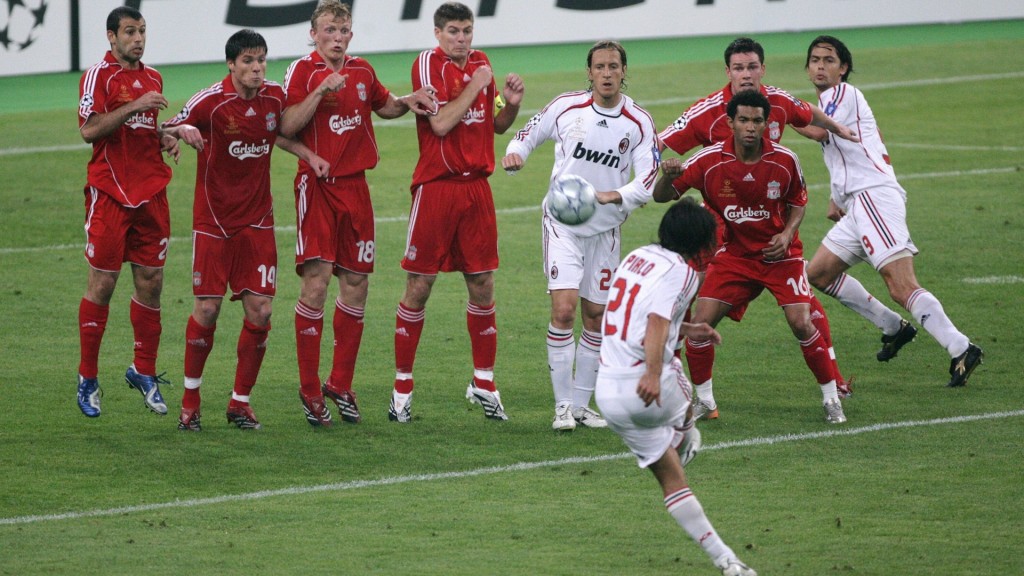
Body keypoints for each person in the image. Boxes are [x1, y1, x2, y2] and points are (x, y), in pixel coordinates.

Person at [657, 36, 868, 419]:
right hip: (720, 234)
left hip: (774, 238)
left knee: (803, 314)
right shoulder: (707, 116)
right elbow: (658, 145)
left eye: (752, 67)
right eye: (739, 68)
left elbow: (807, 116)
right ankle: (686, 389)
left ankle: (834, 387)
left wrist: (838, 129)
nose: (746, 75)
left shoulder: (779, 115)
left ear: (762, 70)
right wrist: (638, 179)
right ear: (728, 73)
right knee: (688, 303)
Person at [280, 1, 438, 427]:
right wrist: (319, 92)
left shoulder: (363, 70)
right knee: (316, 285)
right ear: (313, 34)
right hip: (317, 189)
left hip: (356, 190)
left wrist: (409, 100)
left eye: (343, 30)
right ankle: (309, 390)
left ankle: (340, 383)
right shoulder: (302, 72)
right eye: (329, 30)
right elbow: (284, 127)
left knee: (356, 284)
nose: (337, 37)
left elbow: (385, 106)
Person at [161, 30, 329, 430]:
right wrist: (177, 133)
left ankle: (240, 401)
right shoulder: (210, 101)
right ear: (231, 65)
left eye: (261, 60)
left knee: (262, 310)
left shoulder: (273, 97)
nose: (257, 68)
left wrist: (309, 155)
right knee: (208, 309)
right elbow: (162, 129)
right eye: (249, 62)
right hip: (213, 222)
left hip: (257, 221)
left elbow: (280, 134)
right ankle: (190, 402)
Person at [802, 35, 983, 387]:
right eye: (815, 60)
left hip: (873, 199)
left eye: (828, 60)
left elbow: (819, 131)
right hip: (859, 202)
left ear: (843, 68)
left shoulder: (843, 94)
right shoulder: (835, 101)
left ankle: (961, 346)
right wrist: (838, 197)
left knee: (901, 285)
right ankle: (893, 326)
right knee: (819, 273)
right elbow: (853, 145)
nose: (820, 66)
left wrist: (777, 110)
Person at [502, 40, 659, 431]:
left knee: (596, 316)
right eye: (599, 67)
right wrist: (516, 153)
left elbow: (648, 181)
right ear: (589, 73)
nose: (606, 73)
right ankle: (561, 406)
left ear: (624, 71)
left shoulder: (638, 122)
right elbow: (526, 134)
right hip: (563, 225)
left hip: (605, 230)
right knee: (564, 310)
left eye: (613, 66)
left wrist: (612, 196)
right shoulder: (566, 107)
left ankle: (580, 405)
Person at [595, 198, 756, 576]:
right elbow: (655, 321)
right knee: (682, 387)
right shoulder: (683, 272)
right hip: (647, 386)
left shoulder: (637, 256)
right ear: (698, 243)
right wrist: (652, 374)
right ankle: (684, 436)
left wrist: (687, 329)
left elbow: (634, 315)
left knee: (672, 480)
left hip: (608, 395)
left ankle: (727, 560)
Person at [389, 1, 524, 423]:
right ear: (438, 33)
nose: (461, 39)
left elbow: (496, 124)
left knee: (482, 283)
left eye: (467, 31)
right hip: (437, 189)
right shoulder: (427, 66)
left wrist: (512, 104)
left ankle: (484, 382)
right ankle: (401, 390)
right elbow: (441, 123)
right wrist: (476, 83)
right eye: (453, 31)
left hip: (477, 190)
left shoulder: (482, 63)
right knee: (419, 285)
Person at [76, 6, 180, 418]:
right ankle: (87, 378)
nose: (138, 39)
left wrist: (164, 135)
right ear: (111, 36)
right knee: (102, 284)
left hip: (151, 194)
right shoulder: (98, 76)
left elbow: (143, 129)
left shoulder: (153, 78)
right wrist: (136, 106)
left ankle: (144, 370)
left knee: (151, 282)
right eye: (130, 32)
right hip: (111, 194)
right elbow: (89, 130)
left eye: (142, 31)